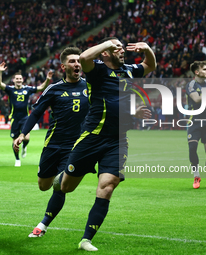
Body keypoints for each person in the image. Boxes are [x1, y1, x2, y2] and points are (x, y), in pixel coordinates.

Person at [54, 37, 156, 251]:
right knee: (67, 187)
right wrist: (109, 43)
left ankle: (86, 239)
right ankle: (61, 178)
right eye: (117, 48)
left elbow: (150, 65)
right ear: (106, 53)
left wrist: (147, 50)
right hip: (92, 136)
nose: (122, 51)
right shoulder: (97, 69)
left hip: (117, 139)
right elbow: (83, 57)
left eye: (121, 48)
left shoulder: (129, 70)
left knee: (108, 186)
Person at [12, 47, 89, 237]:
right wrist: (23, 134)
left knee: (60, 186)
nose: (77, 64)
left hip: (75, 146)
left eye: (78, 61)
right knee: (43, 185)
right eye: (72, 61)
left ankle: (42, 226)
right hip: (53, 144)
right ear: (63, 66)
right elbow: (36, 112)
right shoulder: (53, 89)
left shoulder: (90, 87)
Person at [0, 64, 53, 166]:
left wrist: (48, 80)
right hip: (14, 118)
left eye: (20, 79)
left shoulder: (27, 89)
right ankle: (17, 159)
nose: (18, 80)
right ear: (14, 80)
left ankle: (24, 147)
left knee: (26, 138)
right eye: (17, 79)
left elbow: (41, 88)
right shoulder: (10, 89)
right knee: (15, 141)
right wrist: (0, 72)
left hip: (25, 117)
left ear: (23, 80)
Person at [186, 61, 206, 189]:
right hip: (194, 121)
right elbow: (197, 99)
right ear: (197, 72)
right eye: (204, 69)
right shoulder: (191, 85)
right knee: (192, 148)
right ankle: (196, 176)